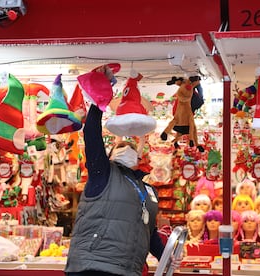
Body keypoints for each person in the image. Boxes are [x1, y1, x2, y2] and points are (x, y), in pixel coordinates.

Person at [65, 66, 180, 276]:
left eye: (131, 147)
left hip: (127, 269)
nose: (126, 148)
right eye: (120, 147)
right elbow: (91, 134)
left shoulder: (148, 190)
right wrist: (100, 102)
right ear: (109, 155)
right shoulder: (103, 174)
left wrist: (165, 256)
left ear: (139, 157)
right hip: (93, 265)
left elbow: (149, 231)